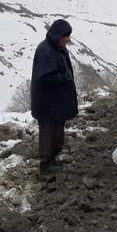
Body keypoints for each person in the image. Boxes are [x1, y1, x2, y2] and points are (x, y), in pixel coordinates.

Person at [30, 19, 78, 179]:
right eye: (66, 36)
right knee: (48, 133)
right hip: (48, 104)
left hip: (56, 103)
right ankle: (45, 166)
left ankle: (52, 160)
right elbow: (44, 78)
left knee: (57, 133)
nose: (68, 40)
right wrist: (64, 78)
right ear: (59, 35)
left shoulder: (56, 47)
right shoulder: (46, 51)